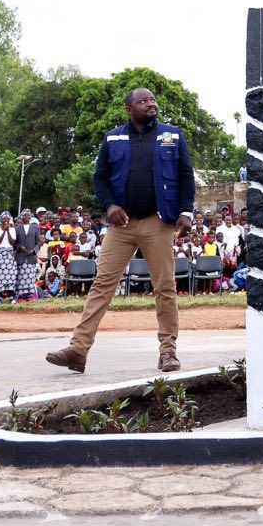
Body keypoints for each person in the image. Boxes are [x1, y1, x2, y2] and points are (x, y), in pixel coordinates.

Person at [46, 87, 196, 374]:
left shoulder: (172, 135)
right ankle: (78, 351)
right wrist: (110, 205)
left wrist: (186, 212)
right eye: (143, 101)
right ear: (129, 109)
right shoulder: (113, 137)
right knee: (102, 284)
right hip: (121, 224)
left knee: (165, 287)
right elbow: (100, 178)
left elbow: (186, 175)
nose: (150, 104)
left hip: (158, 221)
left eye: (152, 100)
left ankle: (168, 351)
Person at [12, 210, 42, 302]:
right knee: (20, 277)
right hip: (20, 256)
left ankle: (29, 296)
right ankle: (20, 296)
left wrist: (34, 250)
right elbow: (14, 243)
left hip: (31, 256)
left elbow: (38, 243)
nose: (27, 217)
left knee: (30, 277)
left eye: (28, 215)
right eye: (25, 215)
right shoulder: (17, 229)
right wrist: (19, 247)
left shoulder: (35, 228)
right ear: (21, 217)